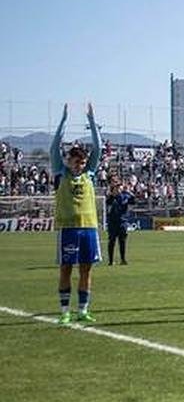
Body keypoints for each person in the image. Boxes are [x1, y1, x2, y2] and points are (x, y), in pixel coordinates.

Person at [51, 103, 102, 325]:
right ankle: (64, 311)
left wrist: (92, 121)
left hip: (89, 228)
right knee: (65, 269)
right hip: (68, 229)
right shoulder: (61, 173)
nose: (79, 165)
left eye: (82, 162)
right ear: (68, 161)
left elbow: (98, 148)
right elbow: (54, 147)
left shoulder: (90, 173)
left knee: (86, 270)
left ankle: (83, 309)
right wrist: (63, 121)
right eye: (75, 161)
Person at [105, 175, 135, 265]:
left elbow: (133, 201)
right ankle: (110, 261)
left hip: (123, 221)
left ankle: (123, 259)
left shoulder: (125, 195)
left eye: (119, 187)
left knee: (122, 241)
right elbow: (108, 203)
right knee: (112, 241)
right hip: (113, 222)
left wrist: (129, 191)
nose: (118, 189)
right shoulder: (111, 197)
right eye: (116, 187)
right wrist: (113, 194)